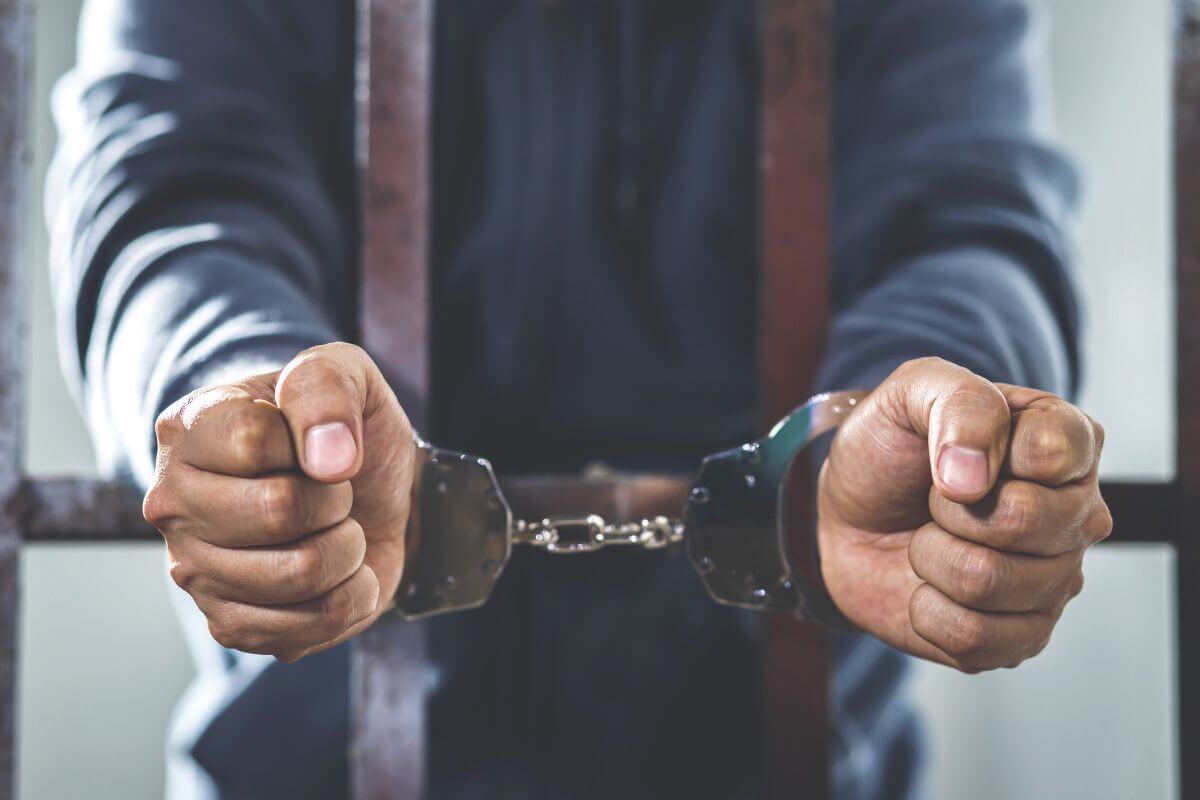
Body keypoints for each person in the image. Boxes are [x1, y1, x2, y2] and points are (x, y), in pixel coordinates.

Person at [47, 0, 1111, 798]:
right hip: (320, 752)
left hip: (789, 753)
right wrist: (255, 402)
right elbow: (176, 196)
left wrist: (919, 423)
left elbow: (967, 217)